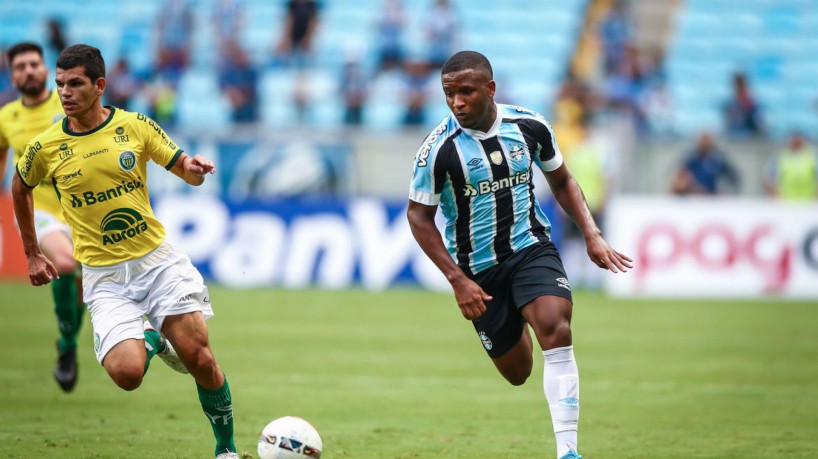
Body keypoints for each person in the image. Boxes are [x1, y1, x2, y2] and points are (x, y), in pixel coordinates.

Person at [11, 44, 238, 459]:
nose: (64, 92)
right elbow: (19, 187)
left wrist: (195, 169)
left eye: (75, 83)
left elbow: (183, 167)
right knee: (128, 374)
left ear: (99, 86)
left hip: (157, 262)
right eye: (60, 84)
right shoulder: (46, 147)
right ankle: (153, 340)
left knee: (200, 358)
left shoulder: (134, 126)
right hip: (104, 276)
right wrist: (31, 251)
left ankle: (226, 450)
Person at [407, 51, 632, 459]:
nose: (456, 102)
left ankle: (568, 452)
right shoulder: (438, 150)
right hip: (479, 272)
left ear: (490, 90)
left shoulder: (529, 125)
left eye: (465, 92)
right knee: (518, 372)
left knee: (556, 328)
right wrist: (458, 281)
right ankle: (514, 324)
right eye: (448, 94)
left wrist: (592, 234)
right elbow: (419, 217)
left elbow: (562, 181)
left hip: (530, 247)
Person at [0, 42, 85, 392]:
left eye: (34, 64)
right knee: (65, 265)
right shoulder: (6, 118)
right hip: (38, 211)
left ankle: (67, 344)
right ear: (12, 73)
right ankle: (67, 347)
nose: (28, 71)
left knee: (81, 284)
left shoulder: (68, 102)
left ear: (46, 69)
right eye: (20, 66)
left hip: (82, 209)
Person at [670, 132, 740, 195]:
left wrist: (726, 191)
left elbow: (732, 177)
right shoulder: (690, 158)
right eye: (703, 139)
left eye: (707, 139)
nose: (705, 142)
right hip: (693, 196)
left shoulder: (718, 159)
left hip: (712, 197)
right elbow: (679, 177)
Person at [763, 132, 818, 201]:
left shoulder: (814, 156)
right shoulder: (779, 157)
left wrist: (814, 201)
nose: (796, 141)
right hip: (785, 206)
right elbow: (768, 181)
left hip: (809, 205)